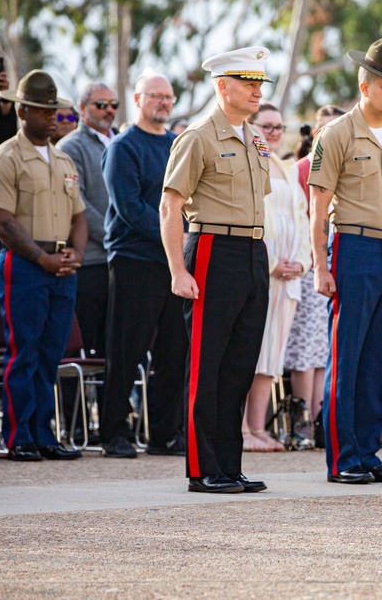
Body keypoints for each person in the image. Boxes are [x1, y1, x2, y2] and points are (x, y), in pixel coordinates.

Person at [159, 46, 274, 494]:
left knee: (240, 365)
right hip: (212, 247)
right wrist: (177, 270)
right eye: (248, 84)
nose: (257, 92)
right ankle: (202, 468)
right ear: (222, 86)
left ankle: (228, 465)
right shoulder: (198, 137)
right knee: (206, 366)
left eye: (260, 84)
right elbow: (170, 206)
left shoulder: (255, 137)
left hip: (252, 252)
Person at [307, 37, 382, 485]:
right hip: (352, 248)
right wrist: (320, 264)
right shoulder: (335, 134)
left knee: (376, 360)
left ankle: (369, 452)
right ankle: (343, 458)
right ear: (364, 85)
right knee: (347, 357)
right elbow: (318, 205)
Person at [0, 69, 86, 461]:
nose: (51, 117)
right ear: (22, 111)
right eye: (42, 110)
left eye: (54, 110)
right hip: (24, 265)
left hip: (61, 267)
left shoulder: (63, 159)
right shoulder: (4, 158)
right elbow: (2, 220)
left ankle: (45, 434)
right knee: (24, 351)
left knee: (50, 354)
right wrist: (42, 258)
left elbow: (79, 216)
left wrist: (76, 254)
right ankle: (20, 436)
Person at [100, 71, 189, 459]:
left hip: (174, 266)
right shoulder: (123, 147)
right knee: (126, 350)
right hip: (134, 260)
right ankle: (113, 431)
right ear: (137, 99)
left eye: (168, 97)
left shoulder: (176, 145)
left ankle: (164, 434)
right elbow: (130, 208)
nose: (163, 103)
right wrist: (177, 238)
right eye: (156, 96)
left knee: (174, 350)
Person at [242, 102, 311, 452]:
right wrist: (271, 264)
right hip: (261, 272)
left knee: (272, 355)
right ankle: (240, 429)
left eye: (278, 127)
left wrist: (302, 263)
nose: (273, 133)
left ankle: (257, 427)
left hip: (289, 279)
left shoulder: (286, 169)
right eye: (266, 126)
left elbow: (302, 220)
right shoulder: (247, 163)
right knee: (248, 352)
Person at [284, 104, 345, 450]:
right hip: (310, 264)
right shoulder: (302, 169)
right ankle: (303, 420)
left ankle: (323, 418)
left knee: (324, 347)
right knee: (307, 347)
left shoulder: (345, 166)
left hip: (338, 261)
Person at [57, 82, 119, 358]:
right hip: (92, 262)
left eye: (114, 105)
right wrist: (113, 234)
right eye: (101, 104)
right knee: (88, 348)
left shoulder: (123, 142)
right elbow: (76, 202)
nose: (109, 110)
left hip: (123, 259)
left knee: (116, 347)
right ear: (82, 109)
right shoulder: (71, 146)